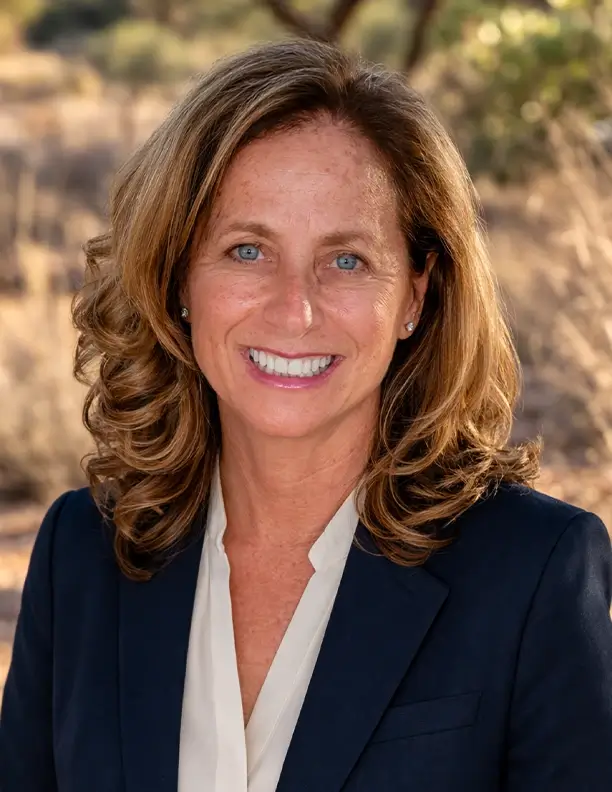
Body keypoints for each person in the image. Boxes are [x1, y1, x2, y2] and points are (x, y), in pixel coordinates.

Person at [1, 38, 611, 792]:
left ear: (416, 295)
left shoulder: (533, 570)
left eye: (347, 259)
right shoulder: (81, 557)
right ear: (179, 276)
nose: (296, 308)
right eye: (248, 250)